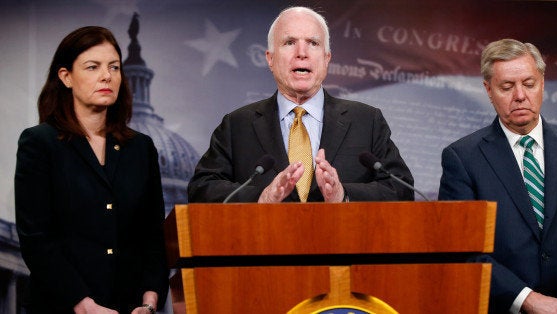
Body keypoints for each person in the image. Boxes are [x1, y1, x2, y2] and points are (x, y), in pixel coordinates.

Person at [438, 38, 557, 314]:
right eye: (507, 86)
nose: (519, 95)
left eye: (529, 84)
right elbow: (462, 249)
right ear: (488, 89)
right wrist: (527, 300)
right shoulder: (462, 158)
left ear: (543, 83)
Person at [14, 26, 169, 314]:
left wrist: (149, 302)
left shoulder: (141, 148)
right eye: (92, 67)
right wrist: (83, 304)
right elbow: (37, 240)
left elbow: (153, 237)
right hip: (62, 307)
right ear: (66, 77)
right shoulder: (40, 143)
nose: (106, 76)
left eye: (114, 67)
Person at [188, 6, 414, 203]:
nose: (302, 53)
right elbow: (201, 189)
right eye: (289, 42)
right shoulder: (237, 125)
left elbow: (401, 189)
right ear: (270, 58)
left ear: (326, 59)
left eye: (313, 43)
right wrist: (262, 197)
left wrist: (343, 196)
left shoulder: (367, 121)